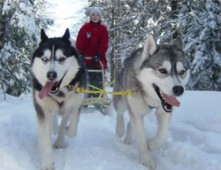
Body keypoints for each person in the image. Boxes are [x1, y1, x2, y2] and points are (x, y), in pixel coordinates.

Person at [76, 6, 109, 99]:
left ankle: (98, 97)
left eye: (97, 15)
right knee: (86, 79)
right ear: (90, 16)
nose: (95, 17)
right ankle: (85, 97)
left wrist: (99, 54)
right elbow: (80, 42)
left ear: (100, 17)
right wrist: (80, 53)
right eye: (93, 15)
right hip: (86, 59)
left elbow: (104, 44)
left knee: (98, 80)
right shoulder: (85, 28)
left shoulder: (103, 30)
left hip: (99, 60)